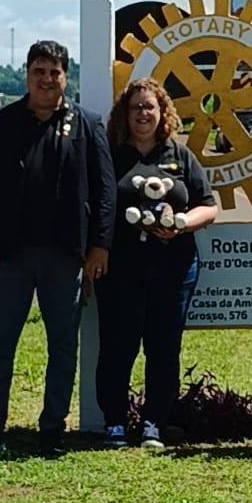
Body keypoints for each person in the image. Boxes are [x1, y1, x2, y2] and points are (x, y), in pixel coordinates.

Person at [0, 39, 115, 453]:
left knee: (63, 345)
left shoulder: (87, 124)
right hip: (7, 255)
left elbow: (105, 192)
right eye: (39, 71)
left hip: (66, 255)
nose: (47, 79)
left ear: (66, 76)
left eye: (55, 72)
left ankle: (52, 428)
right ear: (27, 75)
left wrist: (100, 246)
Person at [96, 77, 219, 449]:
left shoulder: (180, 156)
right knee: (118, 347)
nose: (143, 114)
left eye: (150, 107)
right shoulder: (111, 155)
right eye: (136, 108)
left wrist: (181, 225)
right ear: (124, 114)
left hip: (174, 270)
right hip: (121, 271)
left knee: (164, 349)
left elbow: (210, 206)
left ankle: (154, 423)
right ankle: (115, 423)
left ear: (163, 112)